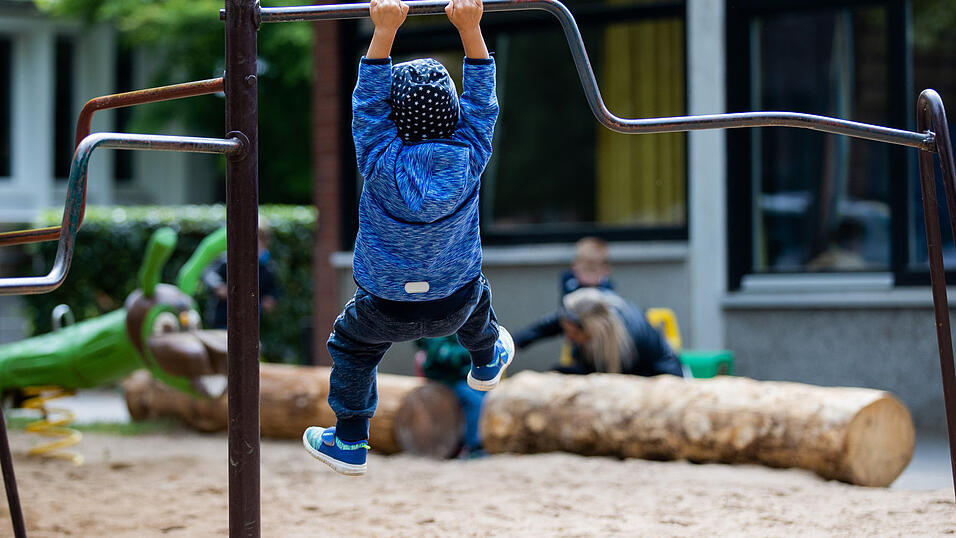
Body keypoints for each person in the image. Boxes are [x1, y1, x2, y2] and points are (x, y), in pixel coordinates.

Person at [302, 0, 514, 476]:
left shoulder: (376, 155)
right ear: (455, 112)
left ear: (393, 119)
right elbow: (484, 100)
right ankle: (484, 360)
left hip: (382, 306)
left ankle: (351, 441)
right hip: (454, 303)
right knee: (476, 294)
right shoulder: (470, 153)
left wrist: (383, 31)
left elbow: (368, 102)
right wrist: (470, 28)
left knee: (353, 349)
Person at [552, 287, 683, 377]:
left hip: (659, 377)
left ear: (591, 331)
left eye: (574, 334)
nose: (568, 338)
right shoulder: (577, 317)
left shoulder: (631, 340)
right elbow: (543, 328)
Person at [513, 236, 615, 350]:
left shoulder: (606, 292)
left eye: (593, 271)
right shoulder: (570, 283)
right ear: (575, 267)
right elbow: (562, 317)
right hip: (574, 334)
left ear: (606, 271)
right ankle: (515, 341)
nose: (588, 277)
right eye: (585, 270)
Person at [415, 336, 487, 458]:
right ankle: (473, 447)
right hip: (443, 380)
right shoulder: (436, 330)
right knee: (473, 401)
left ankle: (476, 441)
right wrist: (471, 351)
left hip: (460, 378)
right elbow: (443, 355)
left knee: (482, 395)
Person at [202, 220, 279, 330]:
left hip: (251, 320)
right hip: (223, 317)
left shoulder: (267, 268)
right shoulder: (229, 260)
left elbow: (273, 289)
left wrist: (271, 298)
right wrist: (218, 285)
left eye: (258, 241)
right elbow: (209, 273)